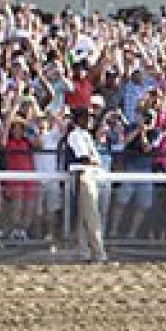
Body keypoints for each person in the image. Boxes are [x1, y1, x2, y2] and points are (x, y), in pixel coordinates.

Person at [60, 106, 106, 261]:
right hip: (83, 175)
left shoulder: (84, 135)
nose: (91, 120)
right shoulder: (75, 135)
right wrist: (94, 161)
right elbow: (86, 158)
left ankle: (83, 251)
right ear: (80, 119)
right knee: (92, 216)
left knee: (84, 217)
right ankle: (98, 253)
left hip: (88, 175)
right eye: (88, 117)